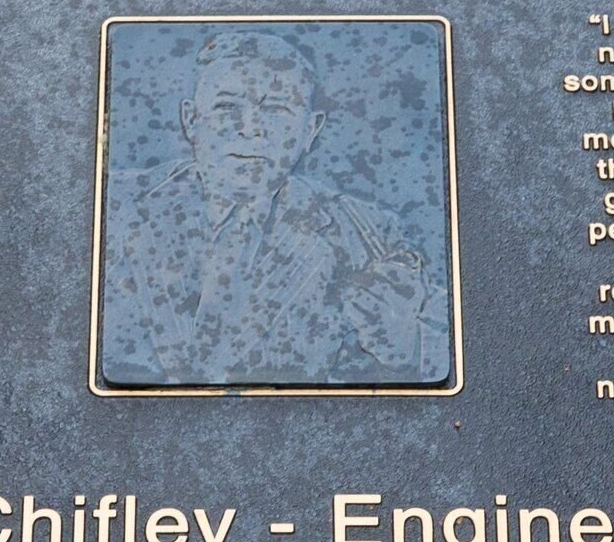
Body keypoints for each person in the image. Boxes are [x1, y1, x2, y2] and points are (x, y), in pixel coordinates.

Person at [99, 27, 451, 387]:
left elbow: (447, 351)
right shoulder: (114, 207)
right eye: (226, 107)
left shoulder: (369, 235)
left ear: (310, 131)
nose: (251, 129)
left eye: (277, 109)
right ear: (191, 120)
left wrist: (408, 349)